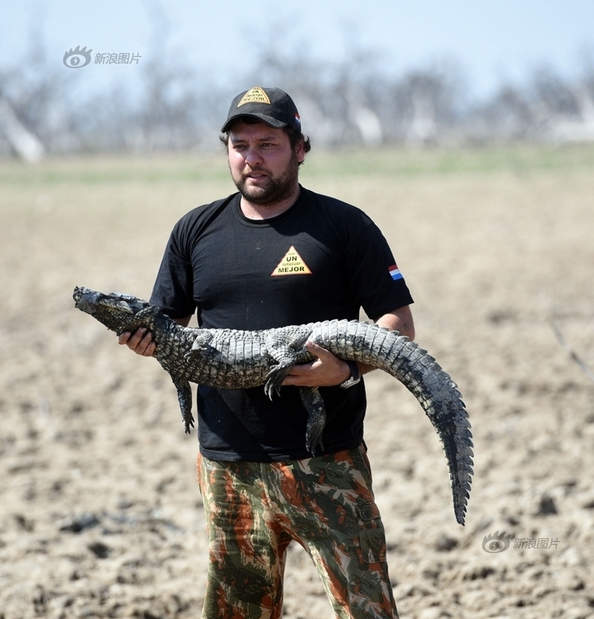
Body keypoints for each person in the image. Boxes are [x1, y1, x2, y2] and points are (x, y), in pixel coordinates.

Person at [119, 86, 415, 619]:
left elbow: (397, 326)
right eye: (239, 144)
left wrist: (343, 372)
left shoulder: (344, 226)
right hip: (228, 465)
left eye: (268, 144)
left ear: (301, 148)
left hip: (328, 462)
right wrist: (147, 343)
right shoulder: (195, 230)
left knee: (366, 610)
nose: (252, 158)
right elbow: (168, 326)